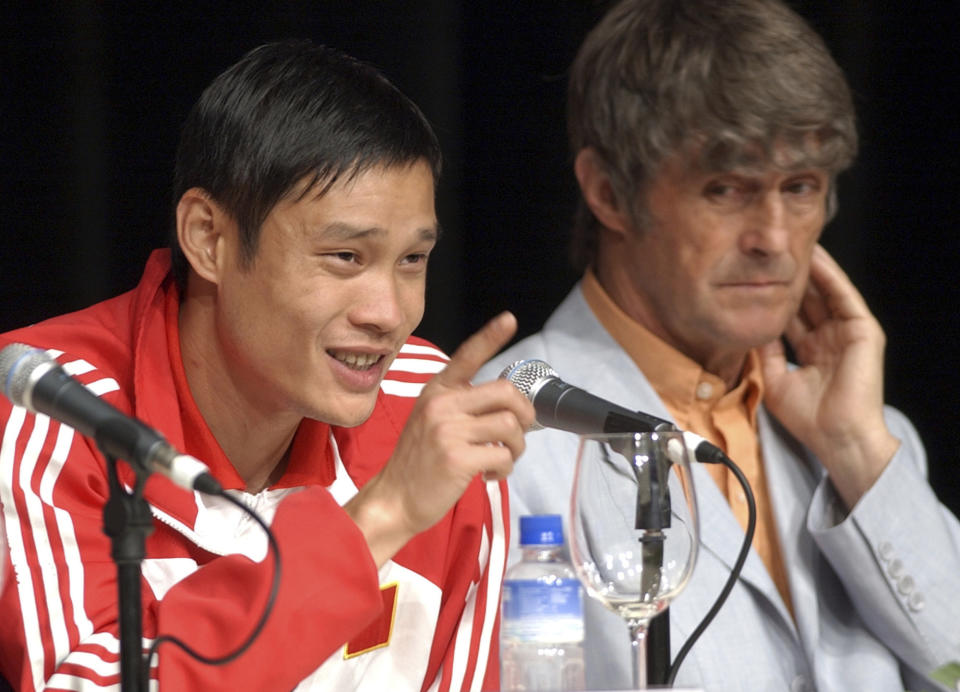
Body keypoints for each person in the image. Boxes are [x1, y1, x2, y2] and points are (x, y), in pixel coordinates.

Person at [0, 40, 534, 691]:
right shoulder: (49, 409)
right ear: (208, 238)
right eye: (345, 257)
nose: (389, 312)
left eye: (412, 261)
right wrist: (382, 517)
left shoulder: (428, 412)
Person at [477, 1, 960, 690]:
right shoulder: (498, 445)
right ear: (610, 192)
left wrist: (857, 452)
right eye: (727, 189)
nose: (773, 236)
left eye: (800, 188)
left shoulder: (873, 444)